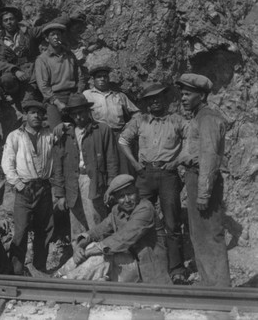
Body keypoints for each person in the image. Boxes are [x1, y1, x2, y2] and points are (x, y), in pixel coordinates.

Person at [119, 83, 187, 283]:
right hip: (145, 173)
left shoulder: (177, 120)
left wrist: (177, 161)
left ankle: (177, 270)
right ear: (147, 103)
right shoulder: (139, 121)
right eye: (151, 99)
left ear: (165, 100)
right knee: (137, 218)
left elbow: (192, 140)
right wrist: (134, 164)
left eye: (159, 97)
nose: (155, 101)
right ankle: (136, 267)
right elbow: (123, 141)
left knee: (172, 222)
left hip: (168, 175)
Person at [56, 175, 171, 284]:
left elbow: (122, 239)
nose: (127, 200)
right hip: (127, 266)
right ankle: (60, 275)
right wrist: (79, 247)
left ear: (137, 192)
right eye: (121, 196)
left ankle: (67, 281)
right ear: (115, 199)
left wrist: (87, 252)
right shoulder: (117, 211)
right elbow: (96, 231)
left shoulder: (145, 209)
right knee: (90, 246)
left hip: (147, 270)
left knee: (102, 254)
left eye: (130, 194)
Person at [175, 73, 230, 287]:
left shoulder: (207, 118)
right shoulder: (199, 117)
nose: (183, 98)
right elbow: (195, 152)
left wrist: (203, 193)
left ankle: (220, 289)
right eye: (182, 93)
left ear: (202, 95)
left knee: (210, 235)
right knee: (199, 235)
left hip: (203, 180)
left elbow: (208, 157)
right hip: (195, 178)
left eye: (188, 94)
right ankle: (211, 285)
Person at [52, 93, 119, 249]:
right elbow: (58, 166)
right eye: (74, 113)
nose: (78, 117)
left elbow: (112, 161)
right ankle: (79, 260)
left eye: (81, 112)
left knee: (96, 221)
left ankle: (100, 259)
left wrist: (111, 187)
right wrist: (60, 194)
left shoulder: (102, 130)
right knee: (76, 224)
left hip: (94, 181)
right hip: (72, 183)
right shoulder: (65, 134)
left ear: (88, 111)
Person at [1, 100, 55, 275]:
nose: (37, 116)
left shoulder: (49, 135)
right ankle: (16, 270)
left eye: (40, 113)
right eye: (33, 113)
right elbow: (7, 163)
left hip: (44, 187)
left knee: (45, 229)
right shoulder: (15, 136)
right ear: (26, 115)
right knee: (21, 230)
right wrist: (18, 184)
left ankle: (40, 267)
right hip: (25, 188)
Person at [83, 65, 139, 174]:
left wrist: (129, 127)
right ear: (93, 80)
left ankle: (125, 189)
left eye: (105, 76)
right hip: (98, 135)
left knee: (124, 166)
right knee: (101, 166)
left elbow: (137, 113)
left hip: (118, 134)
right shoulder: (87, 95)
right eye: (99, 77)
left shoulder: (119, 96)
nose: (102, 79)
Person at [34, 23, 85, 129]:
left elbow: (80, 77)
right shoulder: (42, 59)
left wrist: (79, 93)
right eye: (52, 34)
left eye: (58, 34)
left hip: (73, 95)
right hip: (54, 98)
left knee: (82, 127)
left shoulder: (70, 55)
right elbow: (43, 86)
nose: (56, 37)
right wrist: (57, 103)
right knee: (58, 132)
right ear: (47, 39)